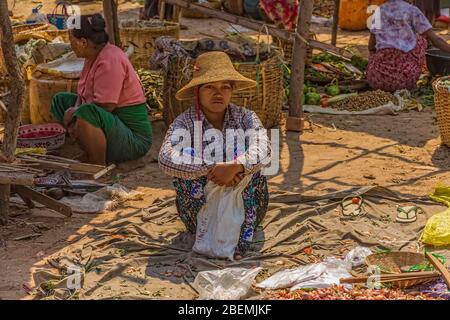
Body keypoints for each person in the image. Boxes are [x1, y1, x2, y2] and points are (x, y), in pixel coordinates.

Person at [159, 51, 270, 260]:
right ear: (197, 92)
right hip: (198, 212)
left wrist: (237, 166)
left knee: (254, 169)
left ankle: (240, 238)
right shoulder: (185, 122)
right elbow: (166, 157)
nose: (218, 93)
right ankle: (211, 235)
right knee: (186, 168)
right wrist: (212, 170)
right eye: (210, 87)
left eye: (225, 87)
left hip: (249, 208)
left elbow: (265, 149)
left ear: (231, 91)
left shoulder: (245, 117)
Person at [50, 14, 152, 165]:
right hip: (111, 122)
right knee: (60, 100)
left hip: (133, 138)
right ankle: (90, 149)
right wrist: (74, 109)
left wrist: (76, 113)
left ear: (83, 42)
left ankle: (98, 164)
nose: (70, 44)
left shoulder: (110, 59)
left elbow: (107, 105)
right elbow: (82, 93)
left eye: (71, 41)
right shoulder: (91, 57)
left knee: (86, 113)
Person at [367, 0, 450, 92]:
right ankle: (408, 75)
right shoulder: (412, 11)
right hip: (405, 81)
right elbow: (436, 41)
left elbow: (371, 46)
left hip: (376, 80)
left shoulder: (379, 11)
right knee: (421, 40)